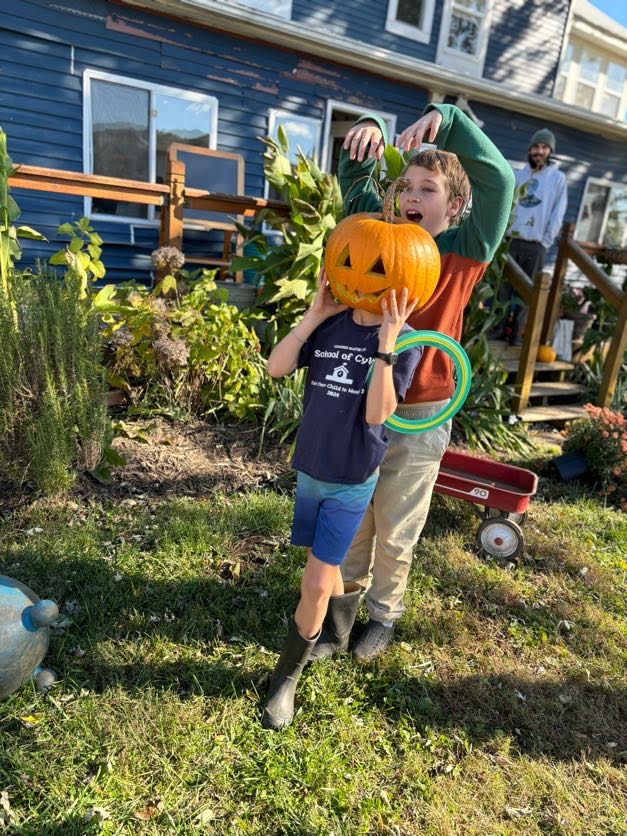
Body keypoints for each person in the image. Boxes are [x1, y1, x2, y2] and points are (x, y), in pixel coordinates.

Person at [308, 103, 516, 664]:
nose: (413, 199)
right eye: (405, 188)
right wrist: (368, 134)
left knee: (398, 524)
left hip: (422, 409)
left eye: (428, 189)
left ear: (455, 205)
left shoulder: (468, 246)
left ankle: (383, 615)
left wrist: (445, 118)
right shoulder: (378, 238)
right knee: (353, 519)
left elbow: (499, 177)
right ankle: (337, 615)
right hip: (364, 404)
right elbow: (354, 188)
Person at [261, 269, 423, 730]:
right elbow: (277, 366)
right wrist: (314, 315)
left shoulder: (407, 340)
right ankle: (336, 629)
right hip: (311, 469)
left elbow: (377, 414)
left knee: (313, 582)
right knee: (324, 564)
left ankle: (285, 679)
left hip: (352, 479)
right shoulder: (330, 324)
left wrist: (386, 345)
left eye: (383, 268)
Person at [502, 128, 568, 345]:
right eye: (536, 147)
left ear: (550, 152)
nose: (539, 151)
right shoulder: (518, 176)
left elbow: (558, 212)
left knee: (526, 292)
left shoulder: (557, 179)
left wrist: (545, 241)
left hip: (535, 244)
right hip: (511, 240)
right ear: (530, 149)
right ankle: (497, 329)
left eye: (544, 148)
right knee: (503, 288)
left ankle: (516, 334)